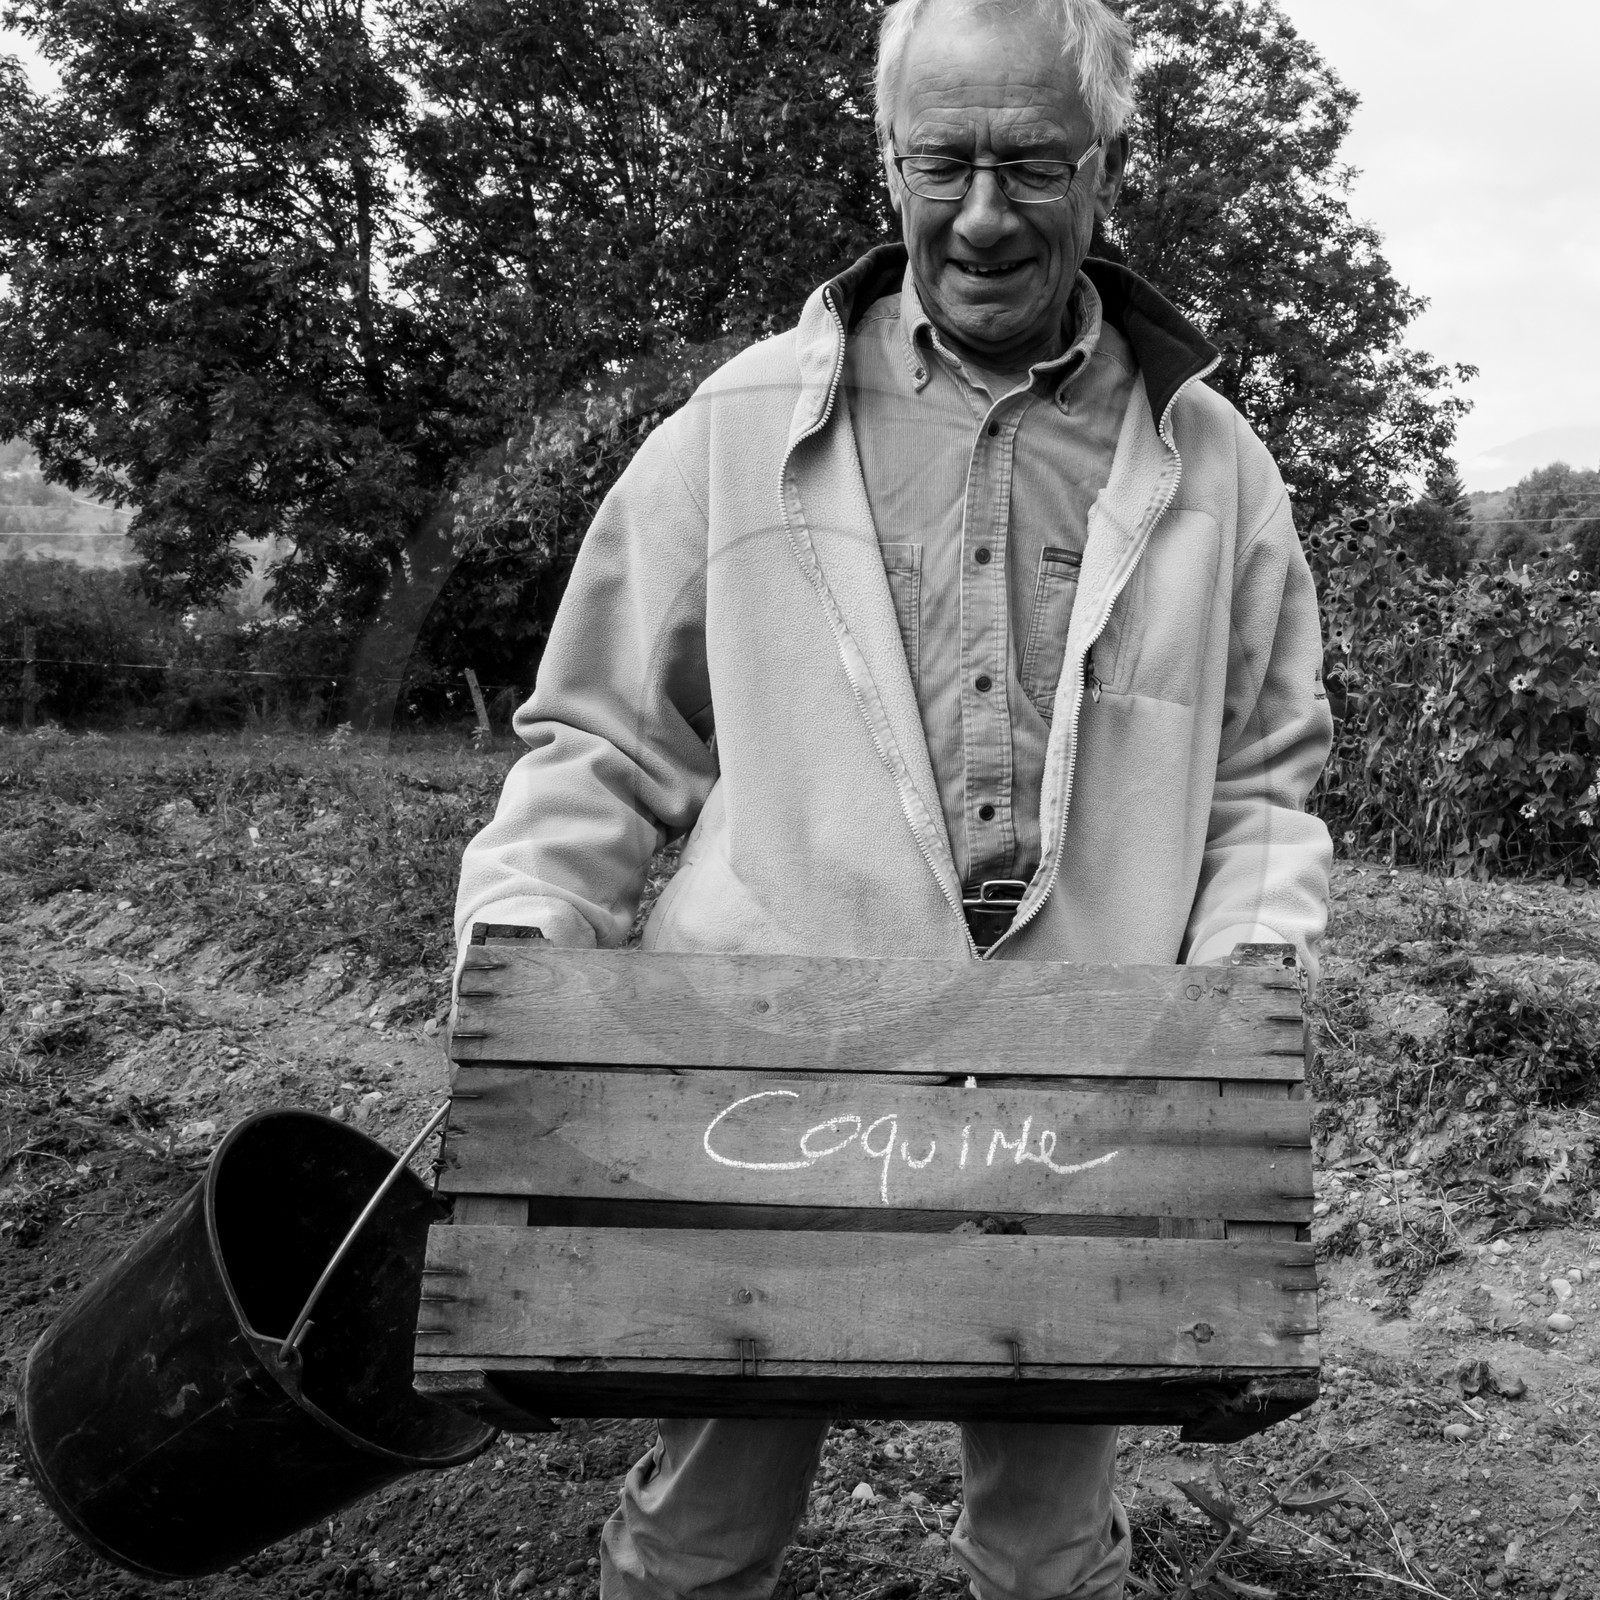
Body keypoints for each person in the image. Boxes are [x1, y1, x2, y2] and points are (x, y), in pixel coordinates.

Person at [454, 0, 1334, 1594]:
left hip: (1076, 1099)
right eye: (944, 163)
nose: (983, 214)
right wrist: (523, 952)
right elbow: (599, 740)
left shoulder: (1217, 468)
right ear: (885, 161)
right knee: (705, 1526)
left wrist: (1245, 991)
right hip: (763, 1090)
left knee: (1051, 1544)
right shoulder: (735, 428)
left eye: (1032, 164)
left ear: (1110, 165)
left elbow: (1263, 785)